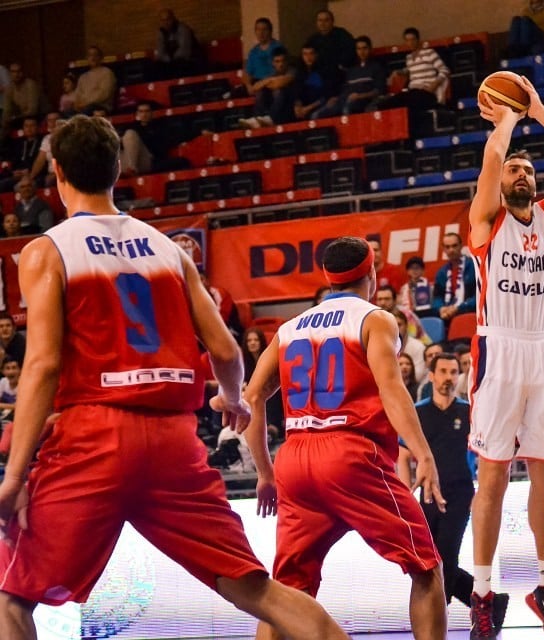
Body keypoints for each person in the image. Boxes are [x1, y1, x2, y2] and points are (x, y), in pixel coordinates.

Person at [0, 115, 347, 640]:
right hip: (172, 441)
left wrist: (13, 476)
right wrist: (235, 401)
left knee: (13, 598)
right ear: (118, 170)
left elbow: (43, 364)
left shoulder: (46, 250)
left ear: (57, 172)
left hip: (93, 436)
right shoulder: (167, 249)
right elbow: (227, 349)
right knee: (259, 591)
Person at [242, 236, 447, 640]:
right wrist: (423, 453)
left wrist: (265, 473)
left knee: (285, 593)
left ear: (328, 279)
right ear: (370, 274)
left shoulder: (288, 328)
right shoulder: (376, 320)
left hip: (294, 458)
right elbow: (391, 388)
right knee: (426, 568)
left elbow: (251, 398)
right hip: (350, 453)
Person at [468, 70, 544, 639]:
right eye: (516, 168)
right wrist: (507, 122)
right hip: (500, 353)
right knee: (491, 481)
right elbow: (493, 162)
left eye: (528, 169)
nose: (522, 172)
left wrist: (538, 110)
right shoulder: (485, 223)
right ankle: (483, 593)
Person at [399, 353, 508, 619]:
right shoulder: (418, 412)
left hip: (459, 493)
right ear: (432, 376)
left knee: (447, 553)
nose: (449, 377)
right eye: (444, 372)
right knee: (427, 560)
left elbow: (485, 452)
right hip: (425, 494)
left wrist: (483, 490)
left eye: (453, 372)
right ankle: (491, 605)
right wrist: (404, 494)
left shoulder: (468, 411)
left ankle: (437, 614)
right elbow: (402, 453)